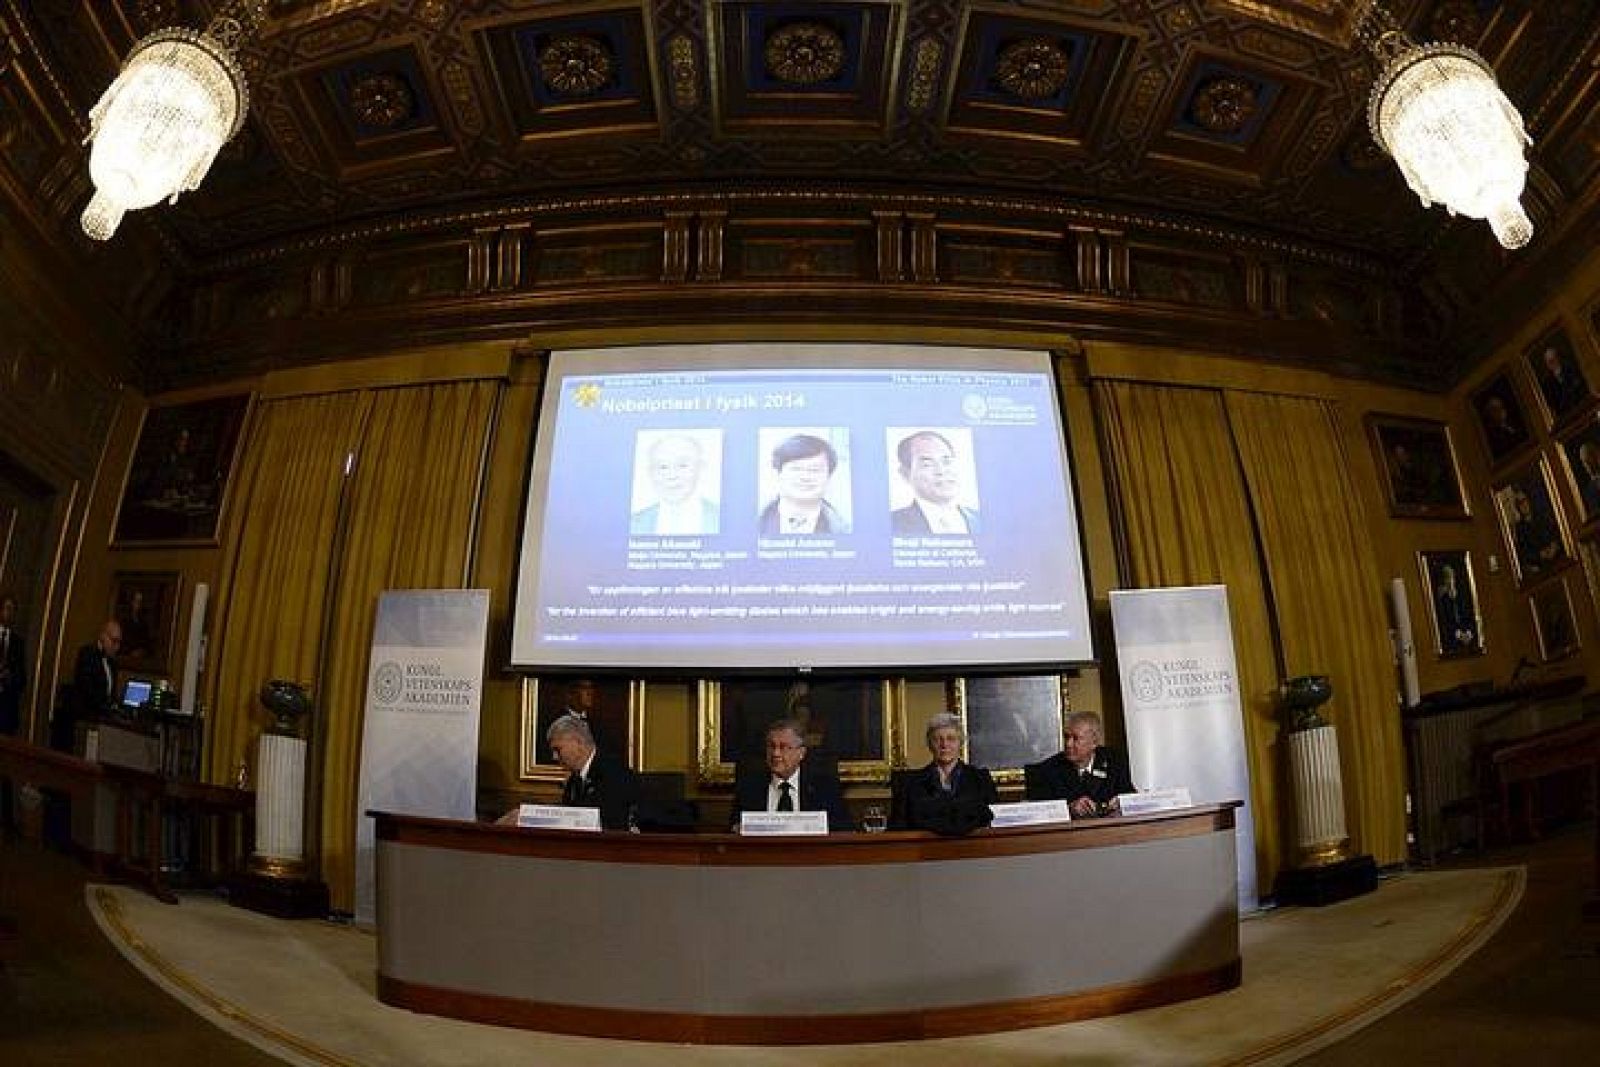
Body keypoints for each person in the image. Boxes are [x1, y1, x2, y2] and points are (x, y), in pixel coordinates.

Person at [729, 718, 852, 831]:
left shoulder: (825, 788)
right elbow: (732, 830)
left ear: (801, 753)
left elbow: (844, 831)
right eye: (771, 746)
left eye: (783, 747)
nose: (775, 753)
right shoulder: (749, 787)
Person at [890, 712, 998, 836]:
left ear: (961, 743)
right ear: (929, 744)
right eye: (937, 739)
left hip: (974, 846)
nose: (944, 745)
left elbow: (994, 822)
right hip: (923, 847)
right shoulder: (909, 783)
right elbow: (897, 831)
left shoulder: (981, 779)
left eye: (951, 739)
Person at [1023, 711, 1135, 818]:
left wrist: (1122, 803)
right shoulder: (1045, 770)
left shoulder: (1115, 762)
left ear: (1094, 742)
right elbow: (1038, 814)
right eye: (1067, 737)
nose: (1068, 744)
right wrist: (1069, 809)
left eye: (1076, 738)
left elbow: (1133, 800)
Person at [547, 713, 638, 830]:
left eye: (557, 749)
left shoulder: (614, 774)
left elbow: (611, 823)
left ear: (578, 743)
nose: (554, 757)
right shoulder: (573, 781)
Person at [757, 433, 850, 535]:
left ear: (829, 477)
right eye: (796, 469)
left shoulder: (844, 529)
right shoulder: (752, 522)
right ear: (778, 473)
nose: (805, 477)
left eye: (814, 470)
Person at [890, 430, 980, 535]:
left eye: (947, 462)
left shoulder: (980, 519)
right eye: (927, 464)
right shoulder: (893, 523)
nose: (941, 471)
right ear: (905, 474)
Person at [630, 433, 719, 535]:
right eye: (663, 467)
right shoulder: (634, 523)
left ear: (701, 468)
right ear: (650, 472)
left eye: (682, 465)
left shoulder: (719, 517)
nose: (672, 476)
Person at [64, 619, 122, 748]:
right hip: (85, 719)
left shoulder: (113, 663)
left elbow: (110, 692)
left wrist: (116, 707)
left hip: (103, 722)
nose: (117, 647)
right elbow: (87, 689)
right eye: (114, 641)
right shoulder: (87, 654)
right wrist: (107, 708)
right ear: (102, 636)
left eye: (119, 642)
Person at [0, 595, 26, 833]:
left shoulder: (17, 642)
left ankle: (7, 819)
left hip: (7, 712)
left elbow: (23, 679)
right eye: (7, 608)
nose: (10, 613)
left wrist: (11, 678)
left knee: (6, 765)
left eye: (13, 609)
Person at [1509, 489, 1562, 577]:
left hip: (1557, 559)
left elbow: (1557, 533)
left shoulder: (1542, 517)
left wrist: (1554, 545)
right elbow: (1524, 553)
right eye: (1520, 503)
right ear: (1517, 507)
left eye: (1524, 500)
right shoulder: (1520, 529)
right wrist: (1540, 555)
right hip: (1540, 567)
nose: (1523, 505)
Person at [1533, 344, 1590, 419]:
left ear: (1557, 358)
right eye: (1549, 361)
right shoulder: (1547, 382)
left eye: (1553, 359)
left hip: (1583, 408)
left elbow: (1580, 386)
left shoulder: (1570, 369)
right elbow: (1553, 403)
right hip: (1566, 416)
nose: (1552, 363)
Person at [1433, 563, 1477, 654]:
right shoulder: (1442, 600)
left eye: (1451, 577)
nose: (1450, 581)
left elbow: (1470, 616)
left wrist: (1469, 632)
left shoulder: (1462, 596)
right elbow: (1444, 622)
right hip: (1452, 641)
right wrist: (1459, 635)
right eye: (1447, 578)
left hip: (1469, 636)